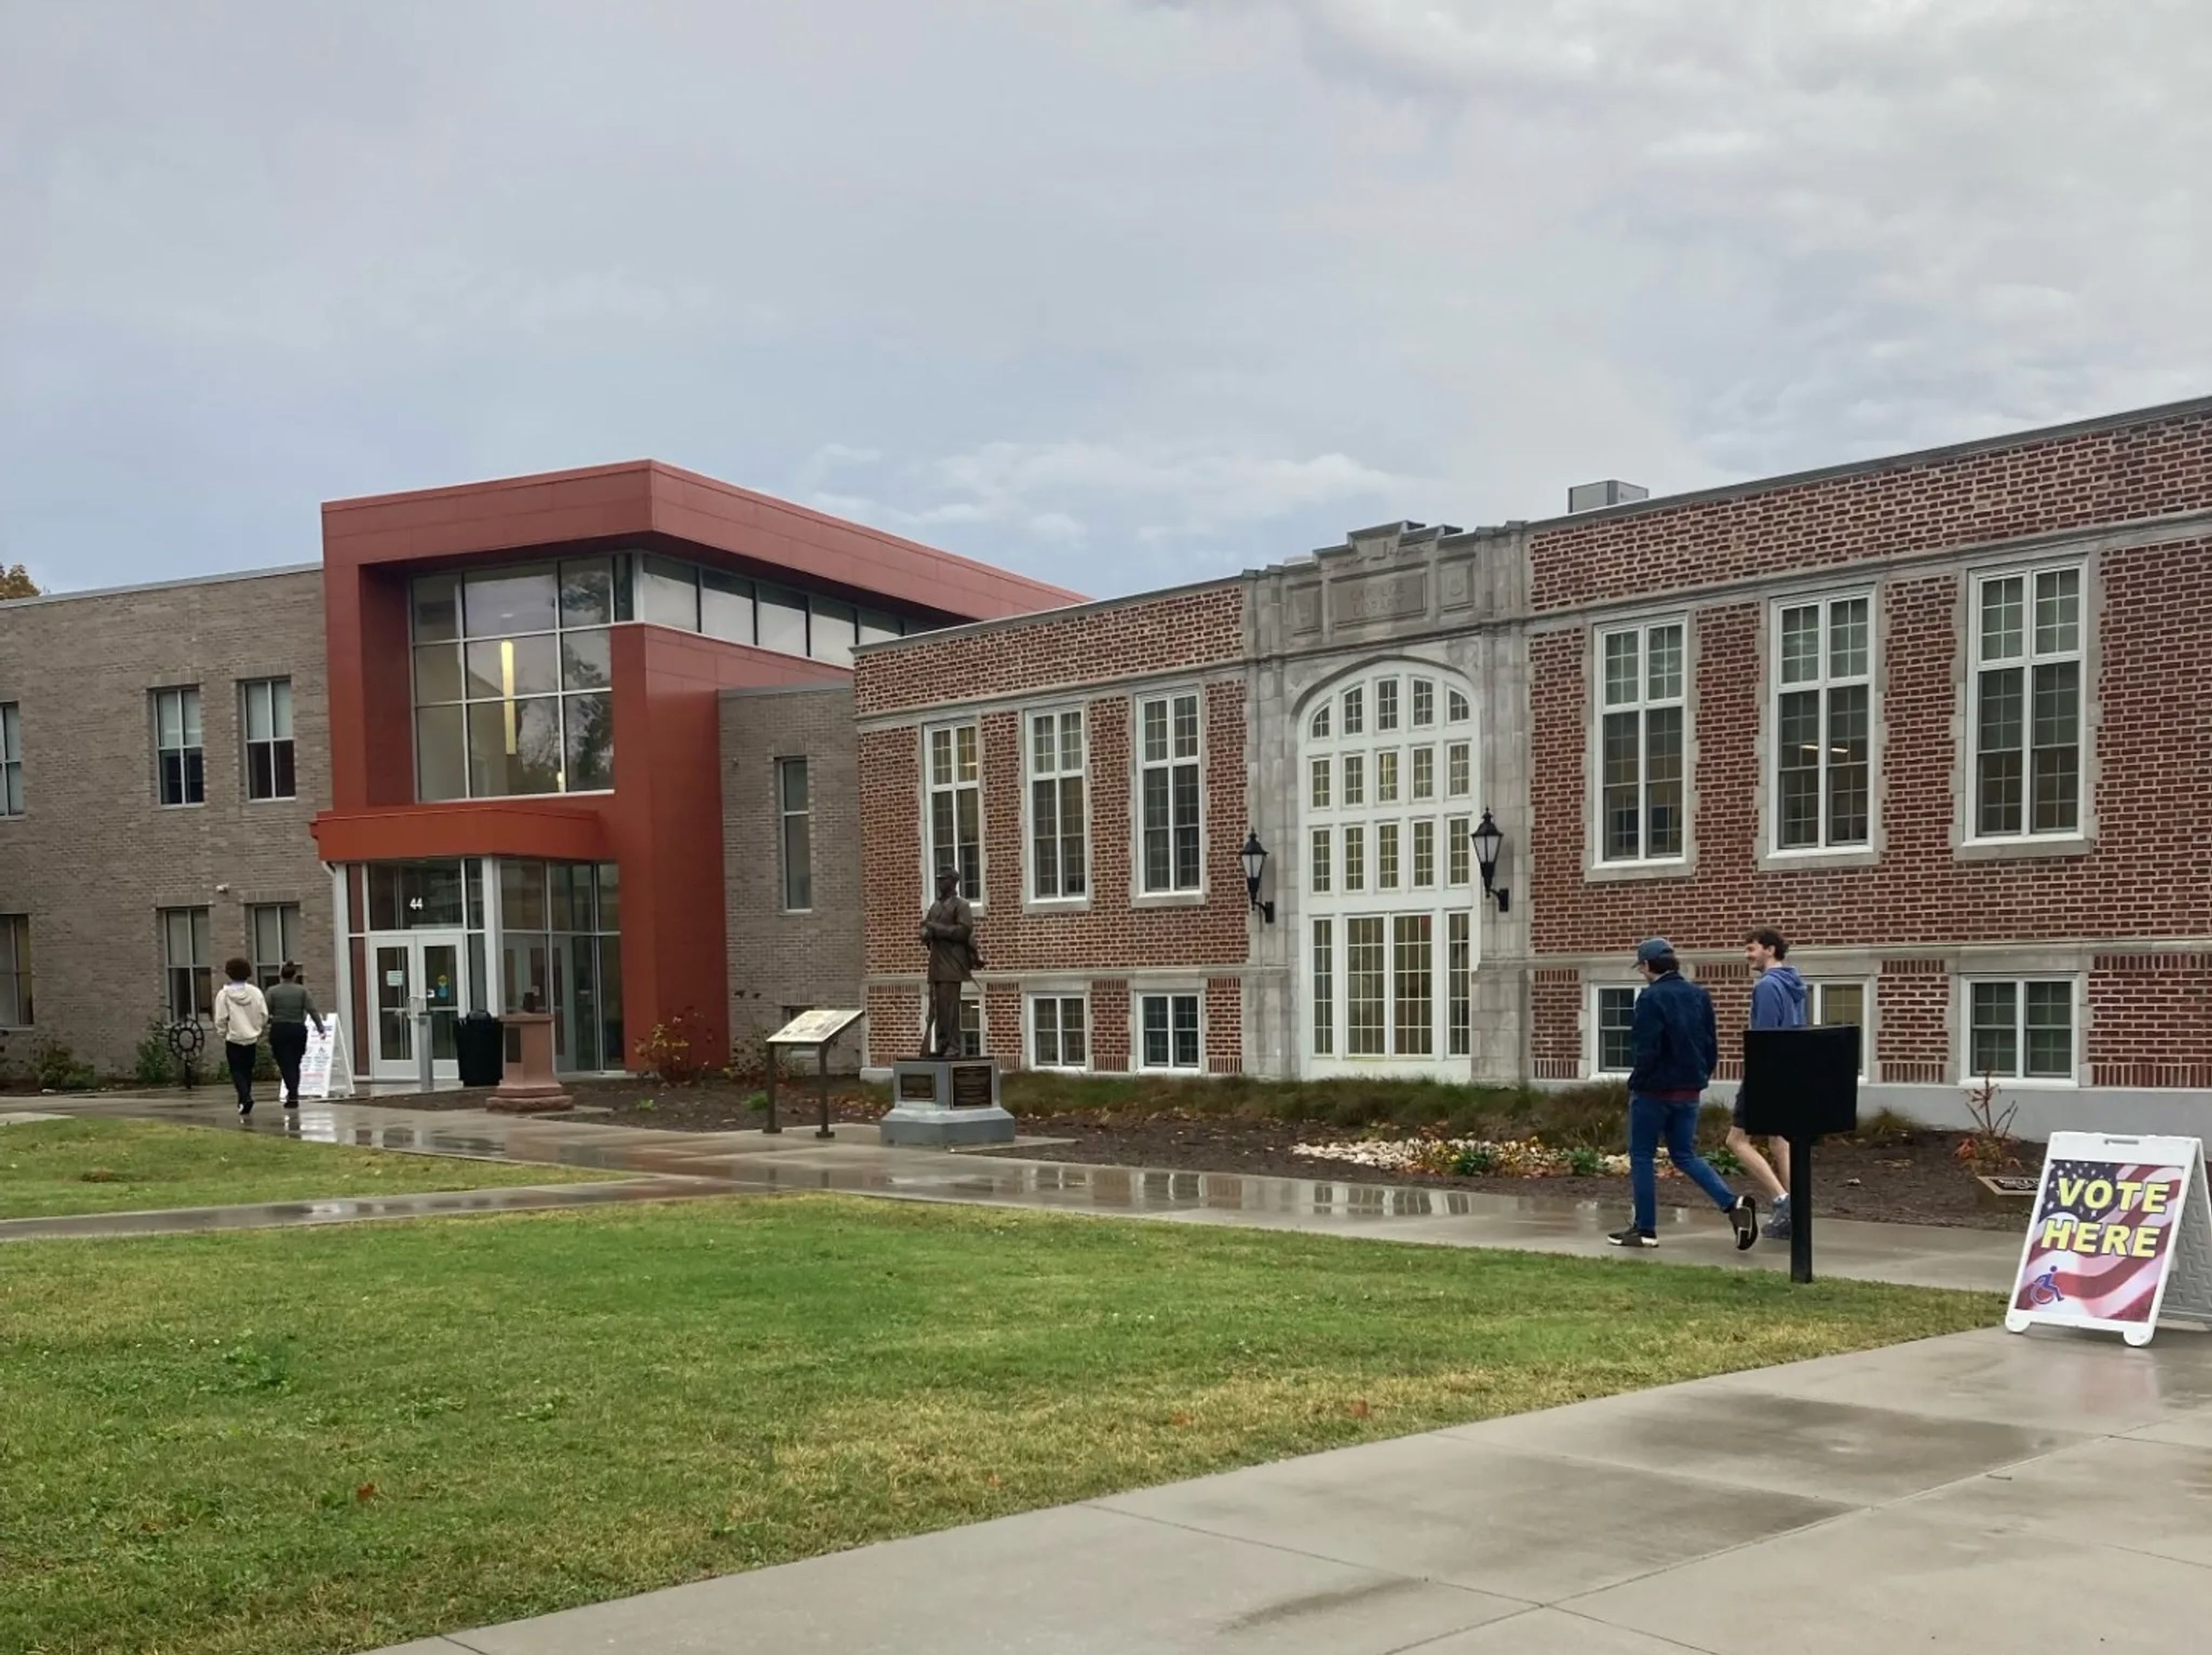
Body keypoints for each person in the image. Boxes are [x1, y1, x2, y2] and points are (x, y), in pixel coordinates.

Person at [1610, 938, 1759, 1251]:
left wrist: (1638, 1081)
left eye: (1641, 968)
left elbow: (1645, 1048)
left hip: (1654, 1092)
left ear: (1648, 966)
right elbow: (1710, 1044)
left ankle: (1645, 1229)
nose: (1641, 974)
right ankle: (1733, 1205)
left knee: (1641, 1156)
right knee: (1686, 1155)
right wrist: (1701, 1076)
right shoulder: (1699, 995)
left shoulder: (1651, 999)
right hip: (1689, 1090)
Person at [1735, 927, 1807, 1240]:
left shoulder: (1767, 987)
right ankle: (1797, 1211)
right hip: (1790, 1072)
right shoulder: (1794, 985)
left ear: (1770, 950)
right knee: (1779, 1141)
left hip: (1766, 1074)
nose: (1748, 956)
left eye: (1752, 949)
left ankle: (1782, 1201)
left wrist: (1757, 1076)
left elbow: (1764, 1037)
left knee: (1736, 1141)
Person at [919, 865, 979, 1058]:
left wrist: (936, 929)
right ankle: (943, 1044)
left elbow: (964, 931)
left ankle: (953, 1046)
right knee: (938, 1008)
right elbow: (925, 929)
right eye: (939, 879)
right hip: (936, 963)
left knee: (951, 1007)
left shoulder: (961, 905)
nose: (940, 883)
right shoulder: (935, 906)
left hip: (952, 964)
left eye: (943, 879)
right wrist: (925, 934)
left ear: (953, 882)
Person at [211, 957, 270, 1118]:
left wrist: (223, 1032)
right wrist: (258, 1028)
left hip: (234, 1038)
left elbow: (221, 1018)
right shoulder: (256, 993)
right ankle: (244, 1099)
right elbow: (264, 1014)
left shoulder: (224, 995)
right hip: (251, 1037)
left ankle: (245, 1098)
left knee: (237, 1070)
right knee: (248, 1070)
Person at [263, 961, 326, 1111]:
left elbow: (266, 1011)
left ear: (280, 975)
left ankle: (292, 1094)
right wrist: (321, 1028)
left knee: (284, 1063)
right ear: (295, 975)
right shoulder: (302, 991)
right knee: (295, 1063)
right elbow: (312, 1010)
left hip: (279, 1029)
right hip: (298, 1029)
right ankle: (293, 1094)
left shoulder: (272, 991)